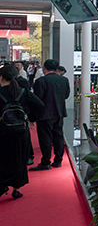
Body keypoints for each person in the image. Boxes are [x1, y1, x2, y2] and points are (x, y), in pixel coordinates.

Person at [30, 59, 70, 170]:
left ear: (44, 68)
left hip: (45, 114)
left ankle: (46, 162)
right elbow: (66, 95)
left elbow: (37, 100)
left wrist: (32, 116)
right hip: (59, 112)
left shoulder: (41, 81)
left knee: (45, 138)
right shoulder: (64, 80)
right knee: (58, 136)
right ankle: (58, 160)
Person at [0, 64, 33, 199]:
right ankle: (17, 189)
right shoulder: (23, 92)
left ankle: (2, 185)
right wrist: (29, 118)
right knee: (19, 159)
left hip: (3, 132)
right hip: (21, 132)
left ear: (1, 78)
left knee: (3, 158)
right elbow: (40, 105)